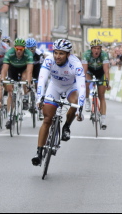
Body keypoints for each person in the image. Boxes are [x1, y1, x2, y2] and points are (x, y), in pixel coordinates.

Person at [31, 38, 85, 166]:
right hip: (54, 86)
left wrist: (80, 108)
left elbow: (82, 86)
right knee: (47, 119)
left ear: (68, 54)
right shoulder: (49, 60)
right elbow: (42, 79)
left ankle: (66, 126)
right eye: (56, 52)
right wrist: (40, 97)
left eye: (61, 53)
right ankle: (39, 153)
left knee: (75, 102)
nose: (57, 56)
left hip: (71, 88)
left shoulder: (75, 64)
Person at [0, 38, 34, 128]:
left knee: (24, 78)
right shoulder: (9, 52)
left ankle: (25, 97)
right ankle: (9, 118)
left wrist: (28, 83)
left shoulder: (29, 54)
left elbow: (30, 71)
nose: (19, 51)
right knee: (10, 92)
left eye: (21, 49)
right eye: (17, 49)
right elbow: (4, 69)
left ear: (24, 49)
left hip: (24, 69)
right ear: (14, 48)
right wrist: (2, 79)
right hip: (13, 69)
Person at [82, 38, 111, 129]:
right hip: (89, 71)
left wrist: (107, 82)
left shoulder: (104, 55)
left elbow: (106, 70)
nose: (96, 50)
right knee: (86, 81)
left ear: (101, 49)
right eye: (94, 48)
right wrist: (83, 81)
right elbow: (84, 70)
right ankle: (87, 99)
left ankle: (103, 119)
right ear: (91, 49)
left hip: (100, 72)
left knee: (101, 96)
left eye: (98, 48)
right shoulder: (86, 55)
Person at [26, 37, 47, 118]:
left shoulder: (39, 54)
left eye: (32, 48)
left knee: (39, 88)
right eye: (28, 49)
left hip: (37, 69)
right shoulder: (25, 54)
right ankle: (26, 97)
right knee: (26, 81)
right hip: (28, 69)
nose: (31, 51)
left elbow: (43, 67)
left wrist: (41, 79)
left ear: (35, 48)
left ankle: (41, 111)